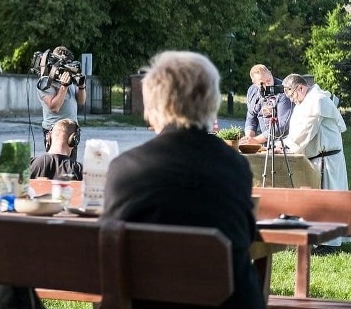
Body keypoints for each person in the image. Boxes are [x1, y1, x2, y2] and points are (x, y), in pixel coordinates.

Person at [101, 51, 263, 309]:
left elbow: (109, 249)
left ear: (153, 107)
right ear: (211, 103)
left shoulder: (125, 169)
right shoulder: (236, 166)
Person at [280, 74, 348, 254]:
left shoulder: (317, 101)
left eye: (293, 95)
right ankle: (319, 238)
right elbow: (296, 131)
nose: (292, 100)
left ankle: (330, 244)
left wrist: (286, 146)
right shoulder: (305, 102)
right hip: (316, 158)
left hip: (327, 159)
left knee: (329, 200)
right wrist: (282, 143)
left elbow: (305, 132)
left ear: (300, 88)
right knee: (319, 201)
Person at [37, 46, 86, 160]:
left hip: (72, 129)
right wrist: (64, 86)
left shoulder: (70, 78)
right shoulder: (46, 82)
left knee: (71, 166)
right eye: (65, 65)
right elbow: (54, 107)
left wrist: (82, 86)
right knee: (56, 165)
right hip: (54, 131)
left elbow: (81, 101)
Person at [241, 64, 293, 146]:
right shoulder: (252, 91)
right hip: (265, 142)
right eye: (262, 83)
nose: (267, 85)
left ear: (270, 73)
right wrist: (249, 138)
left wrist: (256, 140)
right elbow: (251, 117)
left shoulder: (283, 90)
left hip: (283, 143)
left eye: (269, 80)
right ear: (254, 83)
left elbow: (282, 126)